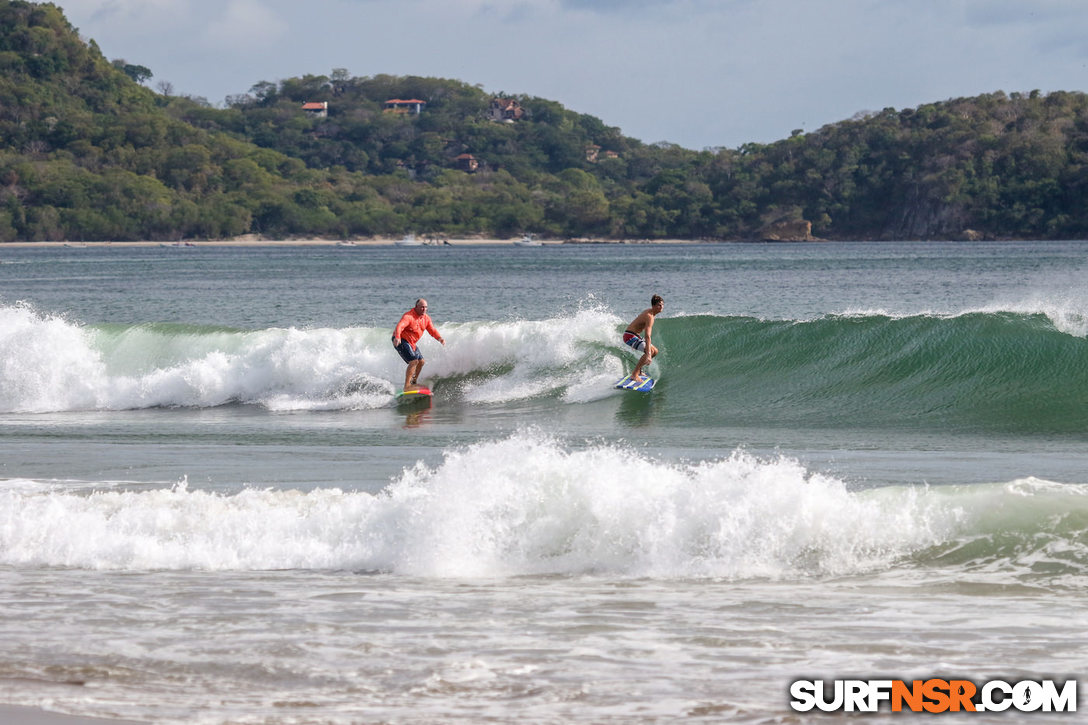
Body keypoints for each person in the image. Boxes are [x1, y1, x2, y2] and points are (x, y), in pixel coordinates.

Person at [392, 298, 445, 391]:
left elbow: (432, 330)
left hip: (411, 342)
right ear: (416, 307)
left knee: (421, 362)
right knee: (413, 361)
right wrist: (397, 337)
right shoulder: (409, 316)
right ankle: (407, 386)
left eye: (425, 307)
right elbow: (399, 326)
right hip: (401, 340)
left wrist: (439, 338)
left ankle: (413, 382)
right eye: (422, 307)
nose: (424, 309)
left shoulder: (426, 318)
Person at [623, 294, 663, 381]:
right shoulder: (649, 316)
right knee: (651, 351)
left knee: (655, 351)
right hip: (630, 336)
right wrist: (648, 354)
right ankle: (634, 374)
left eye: (662, 305)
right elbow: (647, 336)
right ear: (653, 306)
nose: (661, 307)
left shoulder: (650, 313)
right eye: (659, 305)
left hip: (634, 336)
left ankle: (639, 371)